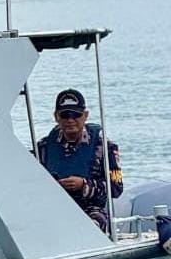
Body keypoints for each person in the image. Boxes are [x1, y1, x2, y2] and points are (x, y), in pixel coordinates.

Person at [37, 88, 123, 232]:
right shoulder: (43, 148)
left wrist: (84, 185)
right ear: (56, 117)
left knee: (92, 226)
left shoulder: (105, 147)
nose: (70, 120)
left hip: (91, 209)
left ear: (85, 115)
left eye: (76, 115)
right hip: (54, 207)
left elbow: (116, 188)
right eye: (65, 115)